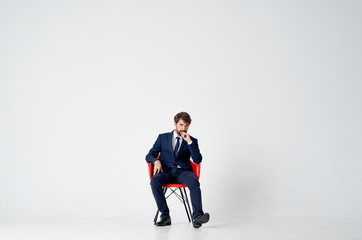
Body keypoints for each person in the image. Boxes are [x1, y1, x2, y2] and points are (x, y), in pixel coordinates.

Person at [145, 112, 210, 228]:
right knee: (155, 181)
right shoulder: (162, 138)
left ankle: (197, 217)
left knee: (194, 181)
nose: (183, 128)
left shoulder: (192, 140)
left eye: (186, 126)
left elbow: (197, 160)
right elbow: (149, 155)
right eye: (181, 125)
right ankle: (165, 216)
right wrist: (156, 161)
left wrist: (189, 142)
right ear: (175, 124)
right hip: (166, 172)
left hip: (183, 172)